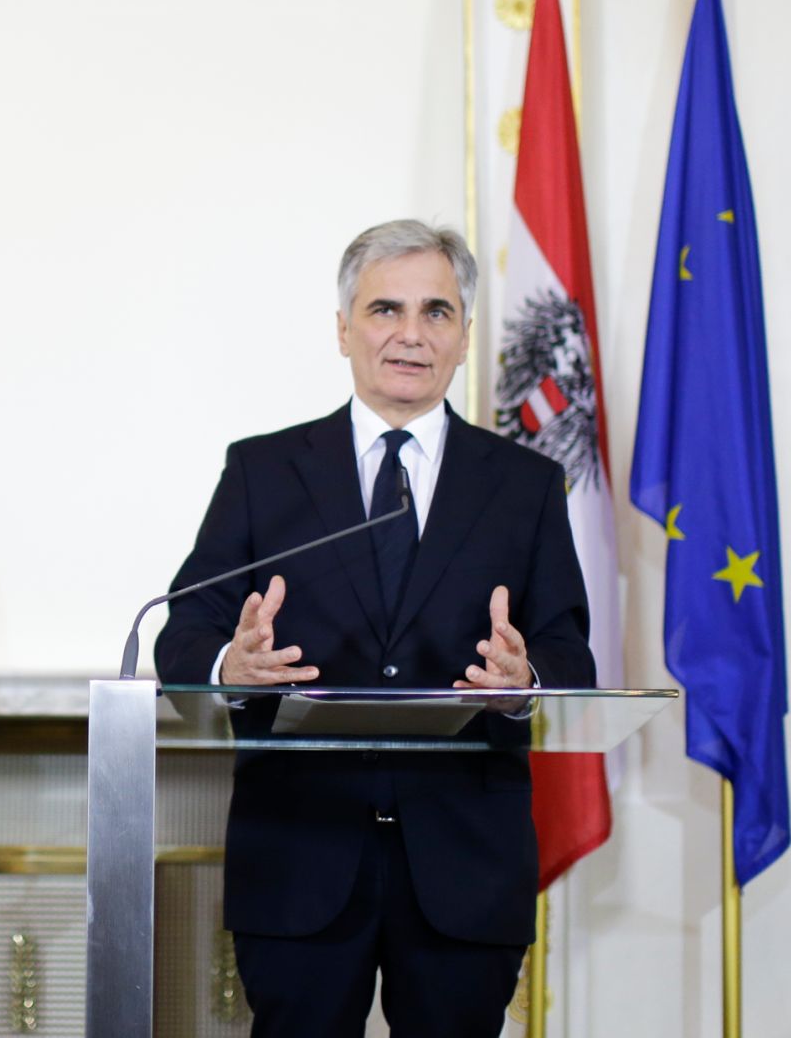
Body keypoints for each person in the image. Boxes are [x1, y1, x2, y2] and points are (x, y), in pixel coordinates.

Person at [154, 219, 594, 1038]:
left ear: (464, 336)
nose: (410, 333)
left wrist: (524, 678)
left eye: (436, 312)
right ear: (344, 329)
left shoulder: (527, 485)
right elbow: (184, 628)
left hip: (464, 863)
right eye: (385, 308)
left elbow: (570, 647)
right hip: (301, 854)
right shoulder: (263, 470)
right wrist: (230, 663)